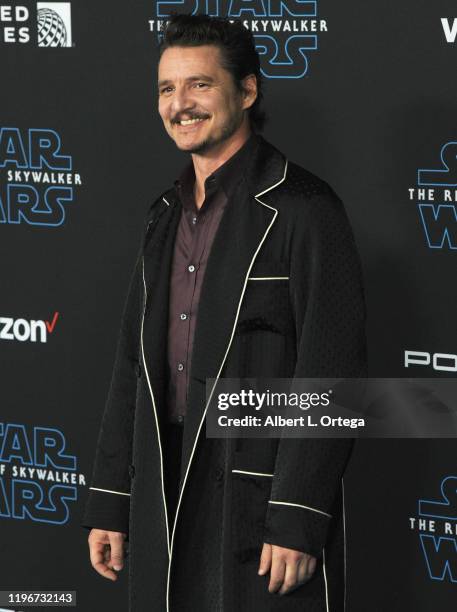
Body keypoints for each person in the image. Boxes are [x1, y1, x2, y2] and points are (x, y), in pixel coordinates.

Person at [81, 13, 367, 612]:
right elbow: (132, 370)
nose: (180, 104)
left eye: (200, 85)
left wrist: (297, 515)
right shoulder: (162, 216)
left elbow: (333, 372)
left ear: (248, 91)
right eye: (166, 88)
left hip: (257, 493)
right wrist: (111, 498)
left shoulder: (306, 209)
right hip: (166, 481)